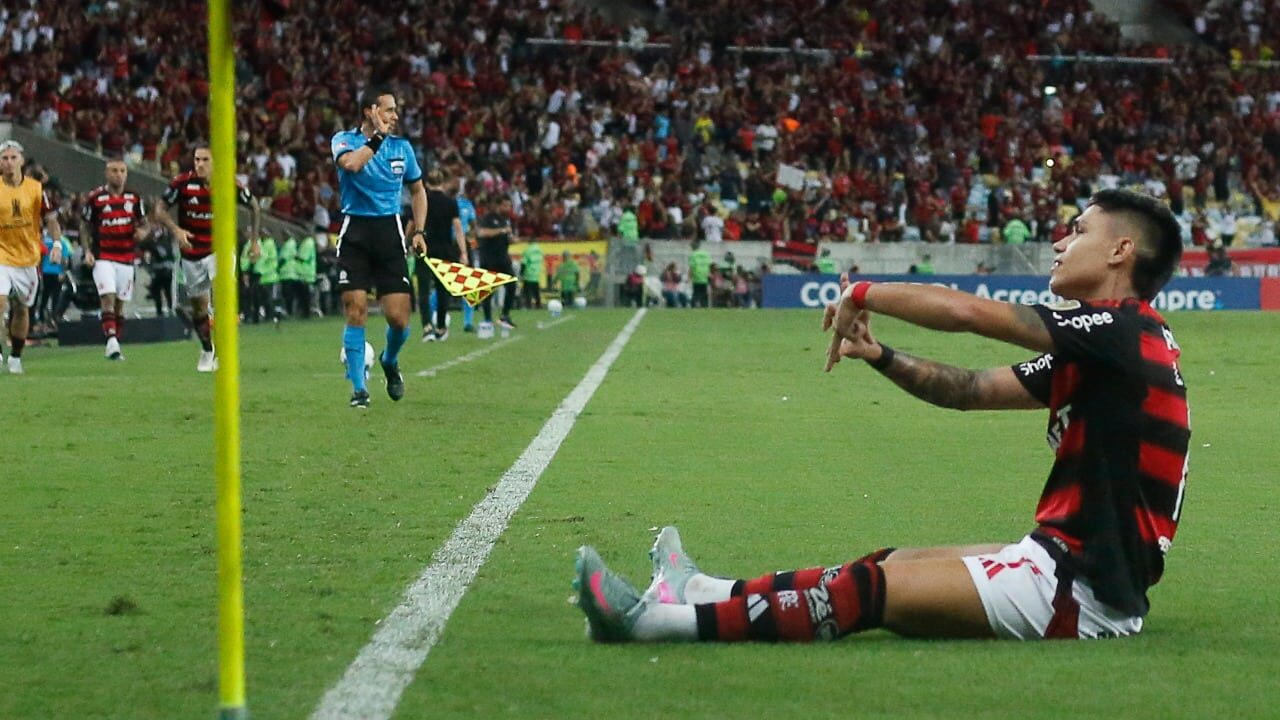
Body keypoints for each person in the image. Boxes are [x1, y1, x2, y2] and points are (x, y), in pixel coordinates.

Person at [574, 189, 1190, 644]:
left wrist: (864, 293)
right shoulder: (1117, 346)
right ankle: (705, 589)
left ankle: (655, 623)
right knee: (889, 564)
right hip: (1065, 562)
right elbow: (970, 389)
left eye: (1078, 230)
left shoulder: (1118, 331)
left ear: (1120, 249)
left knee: (870, 593)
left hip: (1081, 591)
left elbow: (977, 315)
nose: (1060, 242)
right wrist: (881, 355)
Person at [331, 84, 428, 408]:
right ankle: (359, 389)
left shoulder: (403, 148)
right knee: (355, 311)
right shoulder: (344, 140)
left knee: (399, 319)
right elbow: (352, 166)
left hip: (389, 231)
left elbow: (417, 191)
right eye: (388, 109)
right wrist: (378, 137)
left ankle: (389, 360)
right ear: (369, 111)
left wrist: (420, 231)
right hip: (355, 231)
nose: (395, 115)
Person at [155, 144, 260, 373]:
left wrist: (254, 240)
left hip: (220, 249)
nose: (200, 164)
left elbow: (253, 205)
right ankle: (207, 349)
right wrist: (176, 230)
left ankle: (223, 354)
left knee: (222, 298)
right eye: (197, 159)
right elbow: (160, 209)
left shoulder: (229, 184)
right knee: (199, 308)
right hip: (192, 252)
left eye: (205, 160)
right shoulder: (182, 184)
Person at [0, 140, 63, 374]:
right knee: (0, 301)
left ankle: (15, 355)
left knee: (22, 308)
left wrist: (56, 244)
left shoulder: (36, 189)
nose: (8, 163)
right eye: (4, 158)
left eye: (13, 158)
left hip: (28, 257)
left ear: (21, 161)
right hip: (1, 255)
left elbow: (52, 220)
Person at [81, 157, 148, 360]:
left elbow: (145, 223)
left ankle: (114, 344)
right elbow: (85, 226)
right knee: (107, 296)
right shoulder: (95, 198)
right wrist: (87, 251)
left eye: (121, 171)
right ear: (106, 173)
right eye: (114, 171)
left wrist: (143, 232)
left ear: (126, 173)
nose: (118, 174)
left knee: (119, 304)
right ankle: (111, 339)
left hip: (126, 257)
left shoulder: (134, 198)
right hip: (103, 256)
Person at [417, 168, 466, 341]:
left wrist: (408, 241)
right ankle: (441, 327)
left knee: (423, 289)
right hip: (445, 250)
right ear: (443, 183)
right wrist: (463, 252)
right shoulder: (451, 203)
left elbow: (411, 224)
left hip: (424, 248)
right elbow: (458, 227)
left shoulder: (422, 200)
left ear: (427, 184)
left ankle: (426, 326)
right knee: (442, 290)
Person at [476, 195, 518, 329]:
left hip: (503, 259)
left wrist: (510, 239)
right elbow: (482, 233)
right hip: (489, 259)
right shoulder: (488, 218)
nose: (508, 208)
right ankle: (488, 320)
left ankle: (505, 315)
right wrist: (501, 231)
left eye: (509, 206)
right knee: (488, 291)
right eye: (506, 205)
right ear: (498, 205)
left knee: (512, 285)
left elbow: (505, 237)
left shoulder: (505, 221)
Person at [521, 237, 544, 309]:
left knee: (527, 291)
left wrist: (521, 272)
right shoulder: (540, 250)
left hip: (528, 273)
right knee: (536, 291)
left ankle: (528, 305)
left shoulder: (528, 250)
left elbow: (524, 262)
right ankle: (538, 305)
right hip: (536, 273)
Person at [688, 240, 711, 308]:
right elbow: (709, 265)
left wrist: (689, 278)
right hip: (705, 276)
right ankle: (705, 307)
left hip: (697, 276)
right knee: (704, 294)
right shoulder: (706, 254)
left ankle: (693, 306)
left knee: (696, 293)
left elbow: (692, 267)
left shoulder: (693, 255)